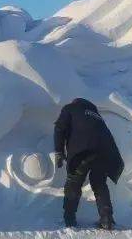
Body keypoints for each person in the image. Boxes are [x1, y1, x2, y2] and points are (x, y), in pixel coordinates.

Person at [53, 98, 124, 229]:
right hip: (105, 153)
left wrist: (58, 151)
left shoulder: (70, 108)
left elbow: (59, 128)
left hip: (83, 151)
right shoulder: (96, 115)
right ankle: (106, 219)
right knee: (99, 183)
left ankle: (69, 219)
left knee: (74, 182)